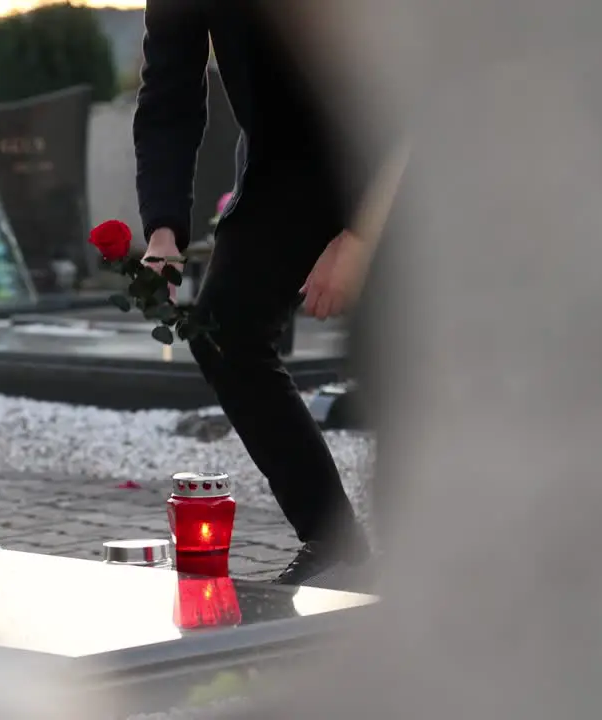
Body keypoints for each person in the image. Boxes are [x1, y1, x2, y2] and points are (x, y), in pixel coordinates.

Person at [134, 0, 384, 585]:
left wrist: (360, 235)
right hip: (284, 160)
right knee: (225, 332)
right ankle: (336, 544)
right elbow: (169, 93)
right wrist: (164, 231)